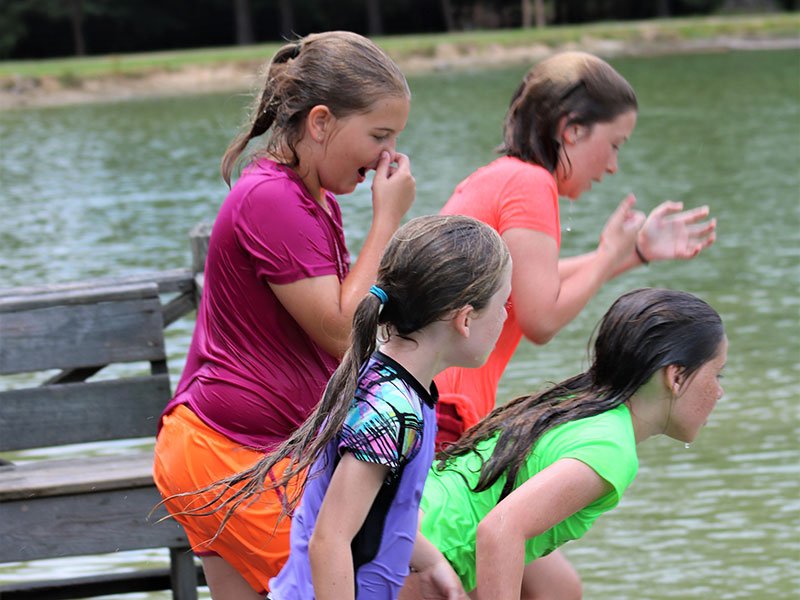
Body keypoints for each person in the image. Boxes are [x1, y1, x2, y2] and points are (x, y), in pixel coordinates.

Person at [152, 31, 415, 599]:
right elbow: (344, 332)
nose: (388, 157)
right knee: (354, 583)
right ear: (320, 122)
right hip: (229, 450)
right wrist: (387, 220)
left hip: (242, 451)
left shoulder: (313, 199)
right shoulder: (273, 199)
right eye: (378, 135)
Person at [176, 214, 512, 600]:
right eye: (504, 303)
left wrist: (432, 561)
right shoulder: (392, 413)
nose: (505, 316)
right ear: (465, 319)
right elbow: (330, 539)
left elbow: (381, 511)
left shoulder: (392, 383)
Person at [433, 51, 718, 447]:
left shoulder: (502, 176)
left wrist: (632, 253)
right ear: (572, 130)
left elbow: (534, 283)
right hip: (444, 407)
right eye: (615, 144)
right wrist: (607, 253)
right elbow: (541, 318)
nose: (614, 165)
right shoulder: (531, 184)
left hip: (431, 398)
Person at [401, 287, 727, 600]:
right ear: (676, 377)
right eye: (717, 375)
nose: (719, 392)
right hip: (416, 559)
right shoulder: (611, 449)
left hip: (404, 530)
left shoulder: (574, 404)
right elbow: (500, 530)